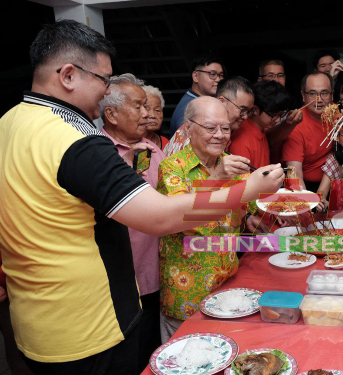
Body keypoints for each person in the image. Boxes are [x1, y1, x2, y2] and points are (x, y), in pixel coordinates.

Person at [0, 20, 283, 374]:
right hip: (88, 326)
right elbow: (160, 217)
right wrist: (250, 188)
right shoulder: (73, 138)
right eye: (103, 80)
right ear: (68, 75)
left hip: (37, 323)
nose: (106, 93)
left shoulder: (10, 122)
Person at [157, 96, 266, 340]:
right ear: (187, 128)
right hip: (188, 292)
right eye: (210, 128)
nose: (220, 135)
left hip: (226, 285)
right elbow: (183, 218)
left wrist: (273, 206)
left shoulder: (230, 162)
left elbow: (245, 205)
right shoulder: (173, 168)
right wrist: (216, 177)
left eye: (225, 128)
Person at [99, 73, 167, 372]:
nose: (147, 114)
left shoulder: (153, 149)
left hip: (155, 270)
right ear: (111, 114)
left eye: (149, 107)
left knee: (153, 349)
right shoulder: (95, 152)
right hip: (117, 280)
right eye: (138, 107)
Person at [163, 76, 254, 157]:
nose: (245, 117)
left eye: (248, 111)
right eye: (242, 110)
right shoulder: (198, 130)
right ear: (222, 101)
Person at [281, 72, 334, 192]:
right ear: (303, 96)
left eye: (324, 93)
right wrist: (304, 203)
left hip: (334, 181)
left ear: (332, 95)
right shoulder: (296, 125)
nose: (319, 99)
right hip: (307, 186)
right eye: (312, 93)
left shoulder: (337, 114)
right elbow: (294, 175)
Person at [229, 80, 291, 168]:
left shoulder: (261, 128)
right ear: (255, 109)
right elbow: (241, 181)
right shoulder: (242, 142)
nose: (277, 120)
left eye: (281, 114)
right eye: (273, 115)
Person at [170, 54, 224, 136]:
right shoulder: (188, 108)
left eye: (220, 75)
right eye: (212, 74)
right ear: (195, 76)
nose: (218, 79)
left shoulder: (201, 101)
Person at [142, 84, 169, 150]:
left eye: (157, 110)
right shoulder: (129, 143)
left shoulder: (166, 143)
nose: (153, 116)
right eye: (146, 109)